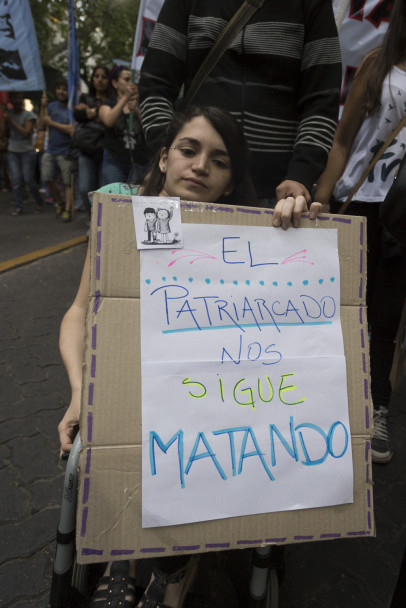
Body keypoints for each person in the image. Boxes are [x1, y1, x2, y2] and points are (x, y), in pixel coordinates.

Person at [58, 105, 321, 608]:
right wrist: (78, 393)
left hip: (211, 398)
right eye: (188, 150)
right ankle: (121, 560)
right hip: (127, 390)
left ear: (230, 182)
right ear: (164, 157)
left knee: (211, 438)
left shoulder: (253, 232)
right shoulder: (120, 208)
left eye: (219, 161)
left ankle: (173, 573)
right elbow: (77, 313)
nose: (200, 166)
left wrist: (302, 222)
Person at [315, 0, 406, 464]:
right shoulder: (378, 64)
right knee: (342, 309)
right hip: (360, 203)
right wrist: (321, 199)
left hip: (402, 217)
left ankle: (377, 411)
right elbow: (343, 139)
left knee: (386, 318)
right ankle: (328, 404)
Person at [139, 0, 341, 207]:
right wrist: (170, 157)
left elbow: (322, 100)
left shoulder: (311, 4)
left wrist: (300, 175)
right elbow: (155, 85)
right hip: (188, 188)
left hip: (278, 197)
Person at [73, 65, 113, 217]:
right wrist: (100, 113)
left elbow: (111, 121)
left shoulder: (113, 100)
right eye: (97, 76)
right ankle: (92, 221)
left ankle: (101, 223)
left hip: (106, 150)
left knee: (103, 192)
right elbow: (79, 115)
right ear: (92, 79)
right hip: (87, 148)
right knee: (85, 189)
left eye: (104, 77)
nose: (100, 80)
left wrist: (91, 112)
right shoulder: (84, 98)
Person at [98, 66, 147, 186]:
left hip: (139, 162)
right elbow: (109, 121)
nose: (131, 83)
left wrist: (137, 110)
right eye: (126, 79)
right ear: (115, 83)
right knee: (114, 194)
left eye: (133, 80)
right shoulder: (108, 104)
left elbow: (149, 128)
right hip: (115, 161)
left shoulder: (140, 105)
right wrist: (125, 97)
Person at [1, 92, 44, 215]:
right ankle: (18, 206)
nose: (17, 100)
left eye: (19, 98)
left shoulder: (28, 115)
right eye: (14, 98)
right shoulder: (8, 114)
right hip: (12, 150)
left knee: (28, 179)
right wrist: (4, 118)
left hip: (27, 151)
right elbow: (3, 132)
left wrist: (12, 121)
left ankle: (39, 202)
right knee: (15, 180)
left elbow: (25, 132)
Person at [40, 78, 75, 222]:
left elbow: (71, 129)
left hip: (66, 152)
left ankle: (67, 210)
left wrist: (52, 123)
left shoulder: (72, 108)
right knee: (47, 179)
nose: (61, 92)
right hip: (50, 150)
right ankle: (60, 202)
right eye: (59, 88)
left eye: (64, 89)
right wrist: (42, 107)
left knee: (67, 182)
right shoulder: (51, 106)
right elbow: (42, 124)